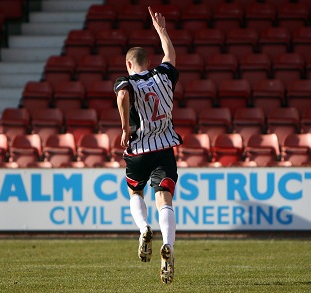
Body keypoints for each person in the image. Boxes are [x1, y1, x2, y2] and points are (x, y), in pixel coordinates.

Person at [113, 6, 181, 284]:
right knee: (164, 198)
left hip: (138, 150)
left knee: (134, 194)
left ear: (129, 64)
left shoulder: (126, 80)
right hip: (164, 148)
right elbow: (171, 56)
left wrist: (124, 127)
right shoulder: (163, 75)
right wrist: (161, 30)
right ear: (147, 61)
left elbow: (121, 98)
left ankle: (143, 228)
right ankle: (169, 247)